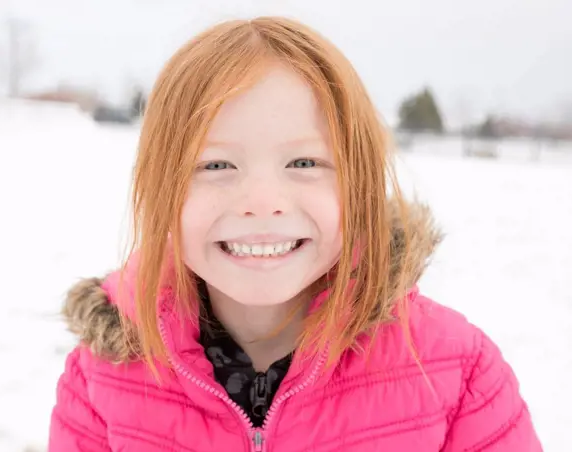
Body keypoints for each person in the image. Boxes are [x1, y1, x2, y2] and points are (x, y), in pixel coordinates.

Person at [48, 17, 541, 451]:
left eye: (303, 162)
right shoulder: (101, 379)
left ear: (360, 186)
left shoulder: (458, 374)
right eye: (216, 164)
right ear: (161, 191)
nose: (262, 201)